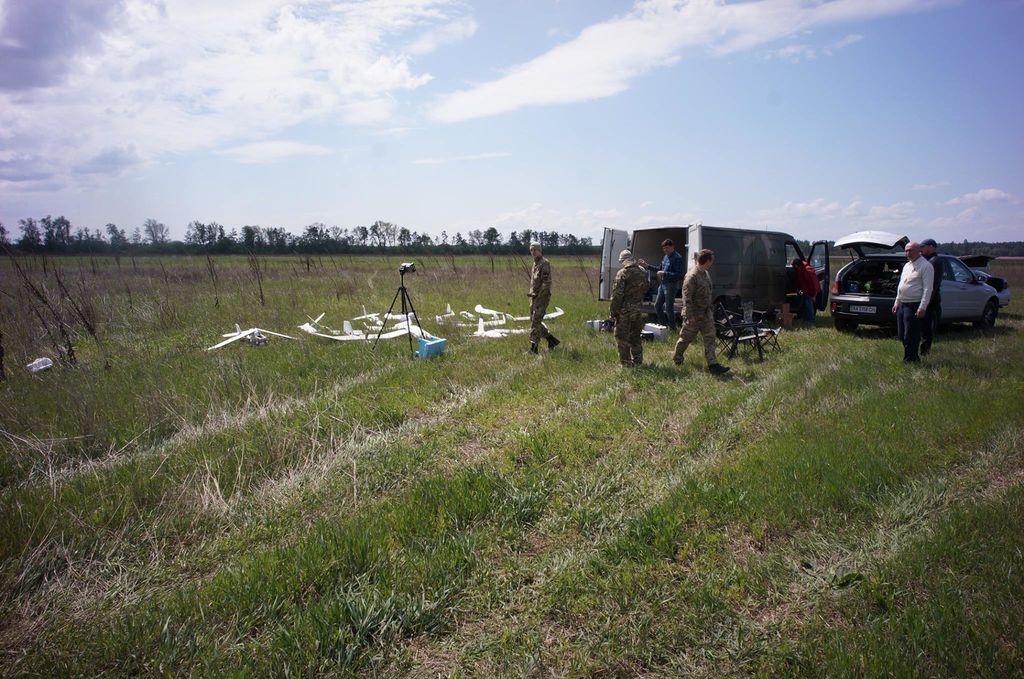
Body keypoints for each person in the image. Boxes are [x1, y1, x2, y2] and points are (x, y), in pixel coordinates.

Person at [672, 249, 730, 375]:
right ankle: (677, 358)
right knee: (685, 338)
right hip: (693, 314)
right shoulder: (691, 276)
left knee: (710, 336)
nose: (713, 262)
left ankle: (713, 364)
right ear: (707, 261)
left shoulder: (706, 273)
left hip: (706, 313)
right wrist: (690, 316)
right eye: (712, 260)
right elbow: (686, 298)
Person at [892, 241, 934, 363]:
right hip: (902, 304)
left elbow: (928, 288)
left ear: (918, 251)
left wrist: (922, 307)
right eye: (906, 250)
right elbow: (901, 285)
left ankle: (911, 359)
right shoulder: (907, 266)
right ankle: (910, 355)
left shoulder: (926, 266)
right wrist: (897, 302)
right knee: (901, 335)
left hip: (914, 305)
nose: (908, 253)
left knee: (910, 335)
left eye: (910, 250)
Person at [610, 249, 648, 367]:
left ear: (623, 261)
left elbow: (617, 295)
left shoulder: (623, 273)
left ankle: (626, 364)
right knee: (635, 337)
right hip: (637, 310)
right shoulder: (643, 271)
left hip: (624, 312)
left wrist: (613, 312)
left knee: (622, 338)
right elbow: (646, 288)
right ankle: (638, 361)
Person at [527, 241, 560, 354]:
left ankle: (534, 348)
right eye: (531, 250)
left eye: (535, 250)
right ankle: (551, 340)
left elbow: (546, 283)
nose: (533, 252)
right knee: (535, 320)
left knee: (535, 322)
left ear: (540, 250)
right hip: (533, 297)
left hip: (542, 297)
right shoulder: (535, 264)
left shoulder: (544, 263)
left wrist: (539, 296)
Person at [647, 238, 684, 330]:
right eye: (664, 248)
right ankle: (663, 326)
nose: (665, 250)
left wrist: (664, 273)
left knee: (668, 308)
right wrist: (647, 266)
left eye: (667, 248)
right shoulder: (665, 257)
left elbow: (679, 275)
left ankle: (672, 328)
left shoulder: (677, 258)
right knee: (657, 306)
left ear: (672, 247)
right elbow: (659, 268)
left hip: (671, 285)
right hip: (663, 285)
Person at [919, 237, 942, 355]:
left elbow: (933, 284)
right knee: (922, 326)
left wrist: (926, 302)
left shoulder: (935, 261)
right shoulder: (926, 260)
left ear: (932, 247)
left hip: (930, 300)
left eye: (923, 247)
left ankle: (924, 352)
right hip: (925, 298)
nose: (921, 249)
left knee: (927, 327)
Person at [792, 257, 820, 322]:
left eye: (795, 266)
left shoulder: (808, 271)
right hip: (805, 291)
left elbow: (814, 284)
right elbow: (800, 281)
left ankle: (810, 320)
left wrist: (814, 295)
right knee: (803, 304)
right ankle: (802, 318)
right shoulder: (801, 269)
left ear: (797, 265)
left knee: (809, 305)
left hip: (811, 291)